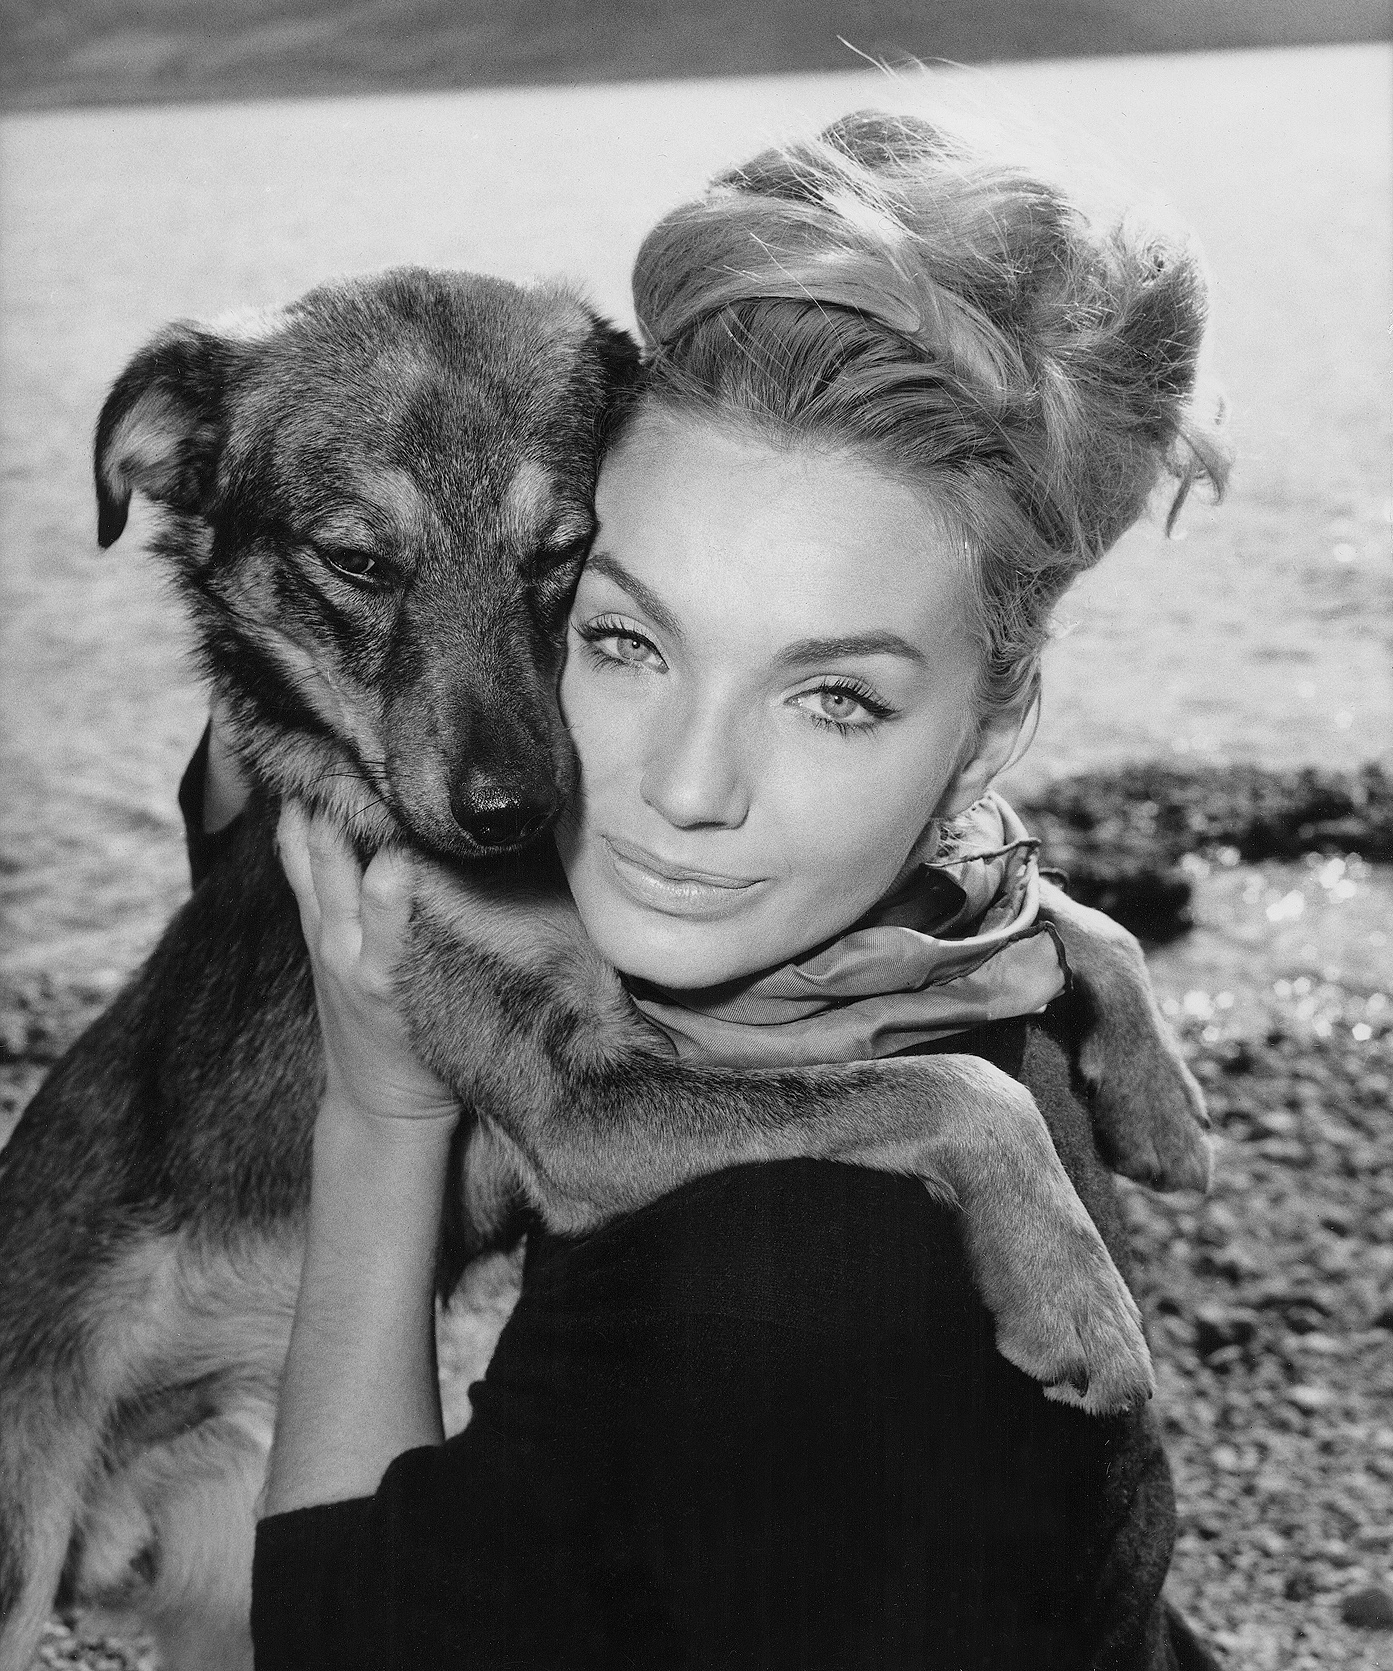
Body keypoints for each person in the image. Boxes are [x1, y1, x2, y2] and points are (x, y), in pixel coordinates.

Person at [185, 112, 1226, 1668]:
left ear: (986, 722)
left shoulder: (763, 1282)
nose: (681, 790)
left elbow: (344, 1643)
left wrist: (382, 1117)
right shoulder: (956, 961)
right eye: (620, 639)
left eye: (833, 698)